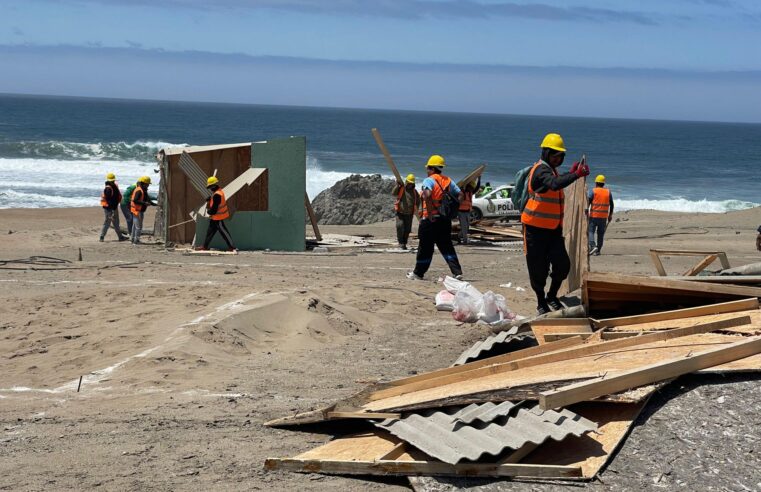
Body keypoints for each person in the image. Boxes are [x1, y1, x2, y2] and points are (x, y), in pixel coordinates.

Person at [521, 133, 589, 315]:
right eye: (554, 156)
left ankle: (552, 296)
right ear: (545, 153)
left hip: (552, 231)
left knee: (563, 265)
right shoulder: (541, 170)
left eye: (560, 157)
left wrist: (571, 173)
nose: (557, 159)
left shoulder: (552, 170)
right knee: (538, 269)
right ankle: (541, 301)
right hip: (534, 229)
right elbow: (554, 184)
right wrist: (576, 174)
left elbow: (557, 182)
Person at [407, 155, 464, 280]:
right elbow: (460, 194)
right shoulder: (448, 180)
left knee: (425, 248)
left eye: (427, 168)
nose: (426, 170)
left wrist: (431, 213)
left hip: (430, 220)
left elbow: (427, 195)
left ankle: (418, 273)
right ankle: (457, 272)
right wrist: (454, 209)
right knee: (447, 246)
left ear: (431, 168)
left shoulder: (429, 180)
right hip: (444, 219)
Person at [198, 176, 237, 252]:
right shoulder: (218, 192)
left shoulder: (217, 195)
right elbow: (215, 202)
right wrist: (210, 199)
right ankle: (205, 246)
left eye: (210, 187)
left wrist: (209, 211)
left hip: (218, 217)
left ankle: (232, 247)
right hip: (215, 218)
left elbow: (214, 210)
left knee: (224, 232)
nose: (210, 188)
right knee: (210, 232)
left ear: (213, 186)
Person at [391, 173, 421, 250]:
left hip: (409, 214)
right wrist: (397, 186)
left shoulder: (414, 192)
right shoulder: (401, 189)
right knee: (400, 226)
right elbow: (393, 193)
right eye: (409, 183)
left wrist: (417, 209)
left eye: (411, 183)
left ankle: (404, 243)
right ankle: (400, 243)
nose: (410, 184)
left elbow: (418, 201)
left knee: (407, 229)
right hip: (400, 213)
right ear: (406, 182)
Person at [587, 174, 614, 256]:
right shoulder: (608, 192)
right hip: (603, 217)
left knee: (590, 231)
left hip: (594, 215)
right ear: (603, 184)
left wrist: (586, 211)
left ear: (596, 183)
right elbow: (612, 204)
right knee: (601, 234)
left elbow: (588, 201)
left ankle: (592, 246)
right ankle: (598, 250)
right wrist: (610, 215)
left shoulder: (593, 191)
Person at [99, 172, 127, 242]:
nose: (112, 182)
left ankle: (120, 237)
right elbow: (109, 201)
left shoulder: (114, 186)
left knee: (116, 222)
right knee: (107, 222)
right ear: (108, 181)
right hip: (109, 208)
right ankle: (102, 237)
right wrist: (112, 211)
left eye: (113, 180)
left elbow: (116, 197)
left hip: (114, 207)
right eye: (111, 181)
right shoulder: (108, 189)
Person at [130, 175, 156, 244]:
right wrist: (144, 203)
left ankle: (132, 239)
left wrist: (155, 204)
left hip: (137, 210)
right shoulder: (139, 190)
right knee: (138, 227)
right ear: (143, 183)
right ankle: (136, 241)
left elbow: (148, 200)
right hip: (137, 211)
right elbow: (135, 200)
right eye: (147, 184)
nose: (148, 185)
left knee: (135, 226)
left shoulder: (143, 190)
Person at [458, 178, 478, 244]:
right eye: (471, 187)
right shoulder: (462, 192)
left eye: (472, 188)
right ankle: (465, 241)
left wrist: (479, 179)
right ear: (468, 187)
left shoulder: (470, 193)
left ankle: (458, 236)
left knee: (467, 227)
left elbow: (476, 188)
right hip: (461, 212)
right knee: (464, 227)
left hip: (468, 212)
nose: (472, 189)